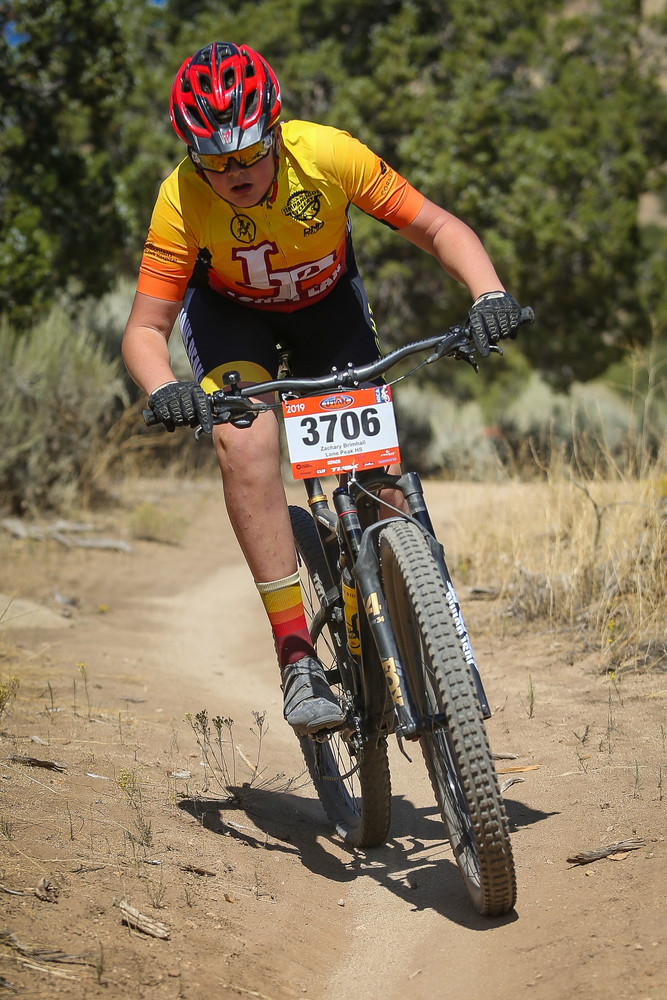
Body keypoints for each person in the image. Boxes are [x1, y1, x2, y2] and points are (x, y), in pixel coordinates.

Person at [122, 41, 522, 736]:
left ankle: (412, 619)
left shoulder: (329, 154)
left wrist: (487, 293)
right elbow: (145, 328)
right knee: (245, 443)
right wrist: (164, 388)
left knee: (381, 486)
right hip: (232, 320)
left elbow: (434, 226)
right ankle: (297, 656)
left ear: (276, 132)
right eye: (214, 159)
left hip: (327, 308)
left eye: (250, 152)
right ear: (192, 154)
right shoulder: (180, 197)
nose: (235, 171)